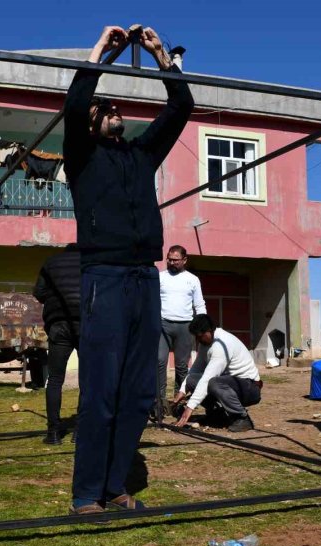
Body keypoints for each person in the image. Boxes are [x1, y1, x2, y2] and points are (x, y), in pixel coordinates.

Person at [63, 25, 194, 515]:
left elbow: (180, 109)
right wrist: (102, 51)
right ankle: (85, 493)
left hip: (144, 277)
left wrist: (161, 55)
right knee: (101, 389)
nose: (113, 110)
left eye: (116, 108)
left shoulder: (141, 155)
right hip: (106, 277)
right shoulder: (81, 156)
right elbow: (76, 106)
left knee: (139, 390)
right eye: (105, 108)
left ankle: (116, 486)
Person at [170, 314, 261, 432]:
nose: (198, 341)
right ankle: (218, 415)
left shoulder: (221, 345)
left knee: (214, 382)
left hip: (250, 388)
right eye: (196, 337)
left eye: (200, 336)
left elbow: (207, 378)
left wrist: (189, 407)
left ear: (209, 331)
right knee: (192, 380)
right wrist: (182, 391)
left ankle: (242, 418)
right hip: (230, 384)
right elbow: (196, 369)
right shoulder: (206, 342)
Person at [32, 245, 82, 445]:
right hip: (86, 325)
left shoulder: (51, 263)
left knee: (55, 379)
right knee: (87, 381)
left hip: (58, 325)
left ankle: (53, 432)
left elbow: (39, 293)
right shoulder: (91, 263)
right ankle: (80, 431)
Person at [156, 245, 206, 420]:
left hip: (185, 326)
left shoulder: (192, 279)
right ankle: (159, 403)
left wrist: (203, 325)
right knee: (159, 362)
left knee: (182, 366)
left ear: (184, 260)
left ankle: (178, 402)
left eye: (175, 260)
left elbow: (199, 304)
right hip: (162, 324)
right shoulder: (160, 277)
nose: (171, 262)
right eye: (169, 259)